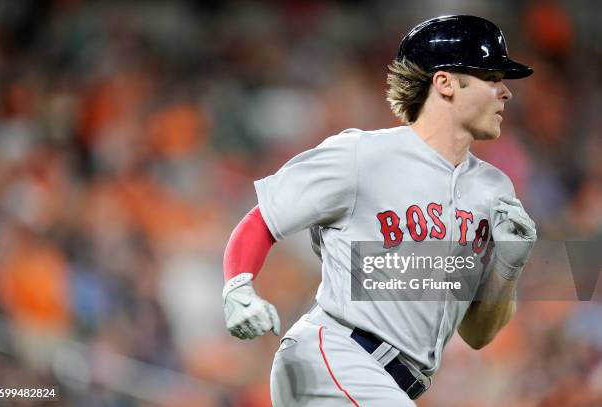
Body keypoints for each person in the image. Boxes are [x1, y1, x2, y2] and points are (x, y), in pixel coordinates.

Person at [221, 15, 537, 406]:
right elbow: (264, 219)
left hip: (388, 382)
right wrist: (238, 286)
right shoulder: (362, 155)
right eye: (491, 77)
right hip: (334, 357)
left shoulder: (493, 188)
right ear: (445, 82)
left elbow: (478, 334)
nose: (505, 92)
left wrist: (507, 268)